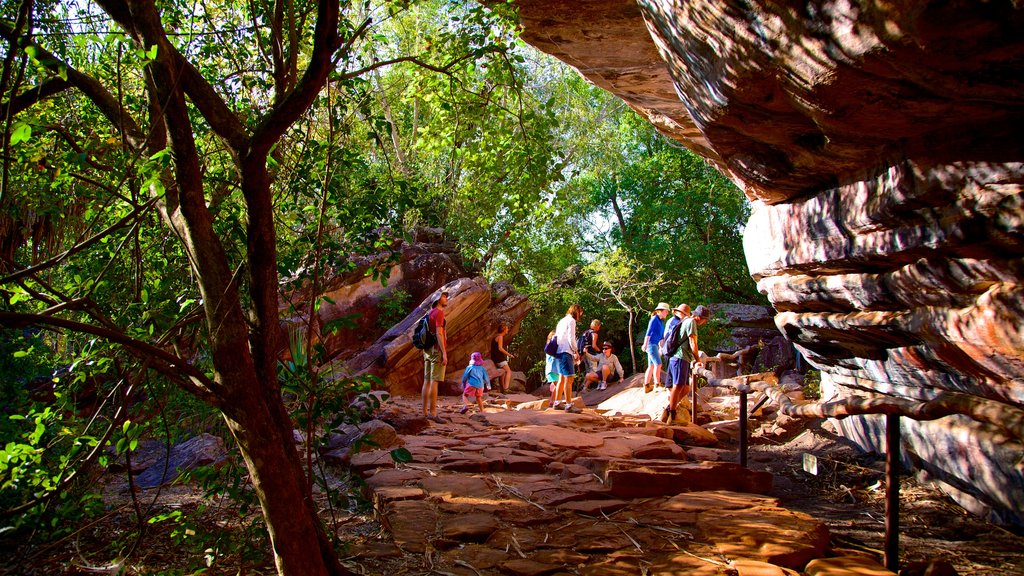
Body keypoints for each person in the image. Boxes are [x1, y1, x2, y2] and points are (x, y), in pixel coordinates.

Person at [663, 305, 711, 424]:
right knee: (678, 385)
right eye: (705, 320)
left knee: (686, 388)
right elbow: (692, 342)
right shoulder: (691, 322)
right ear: (700, 318)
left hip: (680, 357)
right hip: (680, 357)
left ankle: (669, 408)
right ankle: (672, 415)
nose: (704, 323)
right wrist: (698, 359)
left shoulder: (685, 321)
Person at [421, 290, 449, 423]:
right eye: (444, 296)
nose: (446, 298)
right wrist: (444, 352)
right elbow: (439, 333)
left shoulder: (429, 314)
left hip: (427, 349)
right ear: (438, 299)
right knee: (434, 381)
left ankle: (424, 412)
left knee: (426, 381)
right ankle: (433, 413)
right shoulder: (439, 313)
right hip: (436, 349)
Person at [552, 304, 583, 410]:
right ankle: (569, 405)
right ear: (576, 312)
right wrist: (576, 351)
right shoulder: (571, 321)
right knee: (569, 378)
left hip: (559, 351)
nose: (581, 315)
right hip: (566, 351)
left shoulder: (561, 321)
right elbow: (571, 337)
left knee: (561, 377)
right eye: (580, 312)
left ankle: (557, 402)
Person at [642, 302, 671, 392]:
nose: (667, 313)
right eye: (666, 311)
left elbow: (661, 337)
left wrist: (661, 348)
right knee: (658, 364)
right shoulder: (654, 319)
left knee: (651, 365)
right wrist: (645, 344)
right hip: (651, 344)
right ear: (660, 311)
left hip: (655, 345)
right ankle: (657, 384)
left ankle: (646, 386)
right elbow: (648, 332)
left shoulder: (661, 321)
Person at [661, 304, 689, 387]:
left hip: (672, 350)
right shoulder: (673, 321)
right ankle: (670, 393)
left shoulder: (681, 321)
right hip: (670, 349)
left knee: (673, 374)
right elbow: (667, 337)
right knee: (670, 374)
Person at [490, 323, 515, 394]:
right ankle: (506, 388)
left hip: (495, 358)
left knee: (502, 372)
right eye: (507, 329)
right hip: (499, 358)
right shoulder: (500, 337)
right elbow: (500, 348)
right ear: (503, 330)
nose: (508, 330)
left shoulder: (496, 336)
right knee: (508, 371)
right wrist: (509, 355)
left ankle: (502, 389)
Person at [544, 330, 560, 405]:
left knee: (556, 385)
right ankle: (555, 401)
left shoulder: (548, 347)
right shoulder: (553, 348)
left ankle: (552, 401)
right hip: (554, 370)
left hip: (550, 370)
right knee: (558, 385)